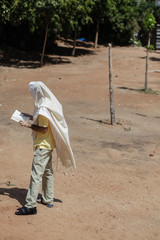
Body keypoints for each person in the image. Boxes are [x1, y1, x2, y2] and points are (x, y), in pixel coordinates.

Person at [15, 81, 76, 215]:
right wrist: (30, 116)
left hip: (42, 146)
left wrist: (27, 125)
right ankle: (48, 198)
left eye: (32, 92)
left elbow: (43, 128)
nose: (32, 94)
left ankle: (30, 205)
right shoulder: (48, 105)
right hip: (48, 145)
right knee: (47, 172)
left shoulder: (42, 109)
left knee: (36, 175)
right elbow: (44, 120)